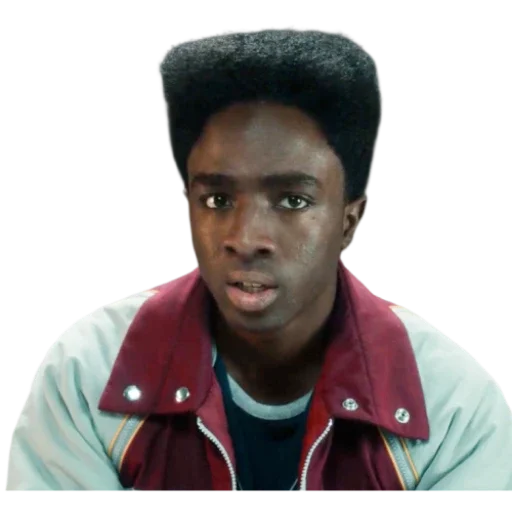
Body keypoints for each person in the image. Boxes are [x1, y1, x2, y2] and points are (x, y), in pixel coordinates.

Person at [6, 26, 511, 495]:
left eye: (292, 200)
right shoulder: (90, 373)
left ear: (348, 221)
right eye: (217, 200)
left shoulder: (450, 404)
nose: (245, 239)